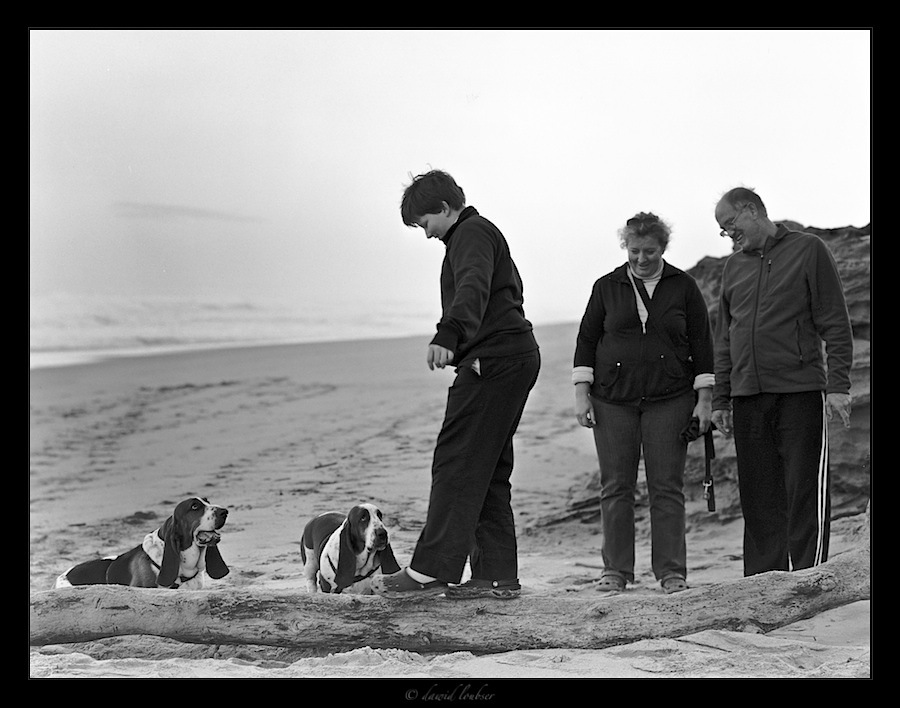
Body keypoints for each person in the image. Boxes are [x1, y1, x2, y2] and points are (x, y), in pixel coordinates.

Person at [372, 169, 541, 600]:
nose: (426, 235)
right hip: (511, 357)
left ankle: (430, 572)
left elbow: (473, 284)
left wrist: (449, 332)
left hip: (495, 360)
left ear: (445, 208)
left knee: (457, 462)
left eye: (425, 223)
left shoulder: (472, 233)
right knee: (487, 470)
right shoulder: (474, 233)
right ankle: (496, 576)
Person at [711, 187, 853, 577]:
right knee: (758, 497)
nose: (728, 235)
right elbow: (725, 338)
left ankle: (810, 578)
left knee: (803, 490)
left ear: (750, 210)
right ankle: (762, 583)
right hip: (747, 397)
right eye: (723, 231)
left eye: (730, 225)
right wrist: (721, 399)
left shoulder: (809, 249)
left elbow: (835, 322)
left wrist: (838, 385)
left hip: (799, 391)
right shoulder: (733, 268)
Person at [573, 212, 714, 594]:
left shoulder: (683, 286)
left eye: (649, 251)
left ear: (663, 248)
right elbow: (586, 339)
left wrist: (705, 400)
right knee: (615, 486)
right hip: (611, 401)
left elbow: (702, 343)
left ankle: (671, 572)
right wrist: (581, 392)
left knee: (666, 487)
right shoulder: (607, 286)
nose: (641, 259)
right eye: (634, 251)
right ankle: (615, 571)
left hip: (670, 400)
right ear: (626, 247)